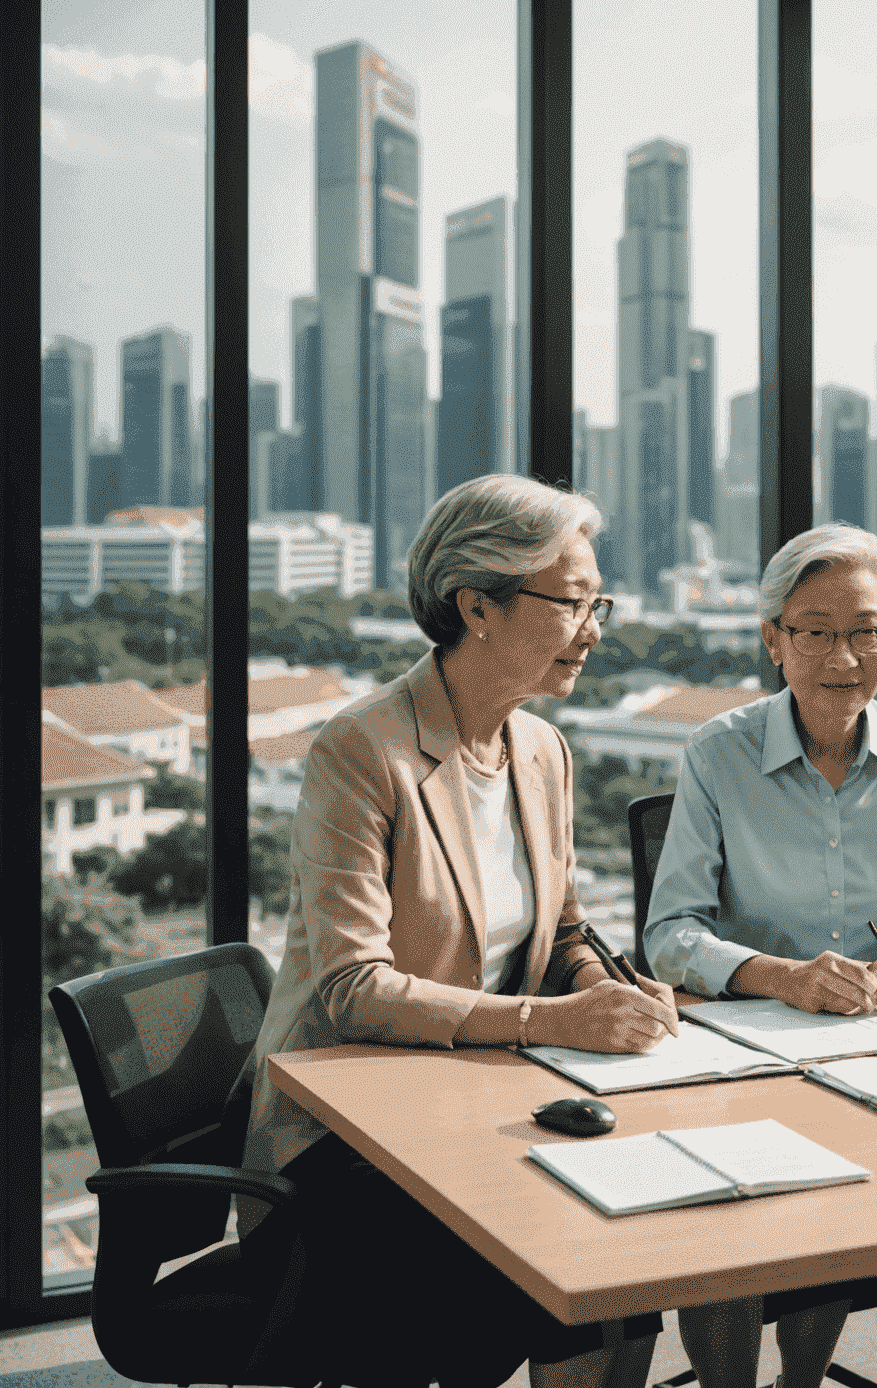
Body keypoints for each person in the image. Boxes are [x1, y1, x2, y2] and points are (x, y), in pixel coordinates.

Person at [243, 474, 679, 1388]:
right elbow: (350, 990)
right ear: (478, 606)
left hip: (477, 1100)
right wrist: (549, 1021)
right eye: (573, 602)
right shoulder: (361, 751)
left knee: (632, 1243)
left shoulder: (541, 748)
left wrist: (602, 984)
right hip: (345, 1136)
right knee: (555, 1256)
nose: (597, 626)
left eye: (601, 600)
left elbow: (562, 930)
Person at [645, 523, 877, 1388]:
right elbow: (670, 937)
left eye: (868, 630)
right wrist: (782, 976)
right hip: (752, 1063)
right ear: (773, 639)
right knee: (729, 1211)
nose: (843, 656)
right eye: (815, 631)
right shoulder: (717, 752)